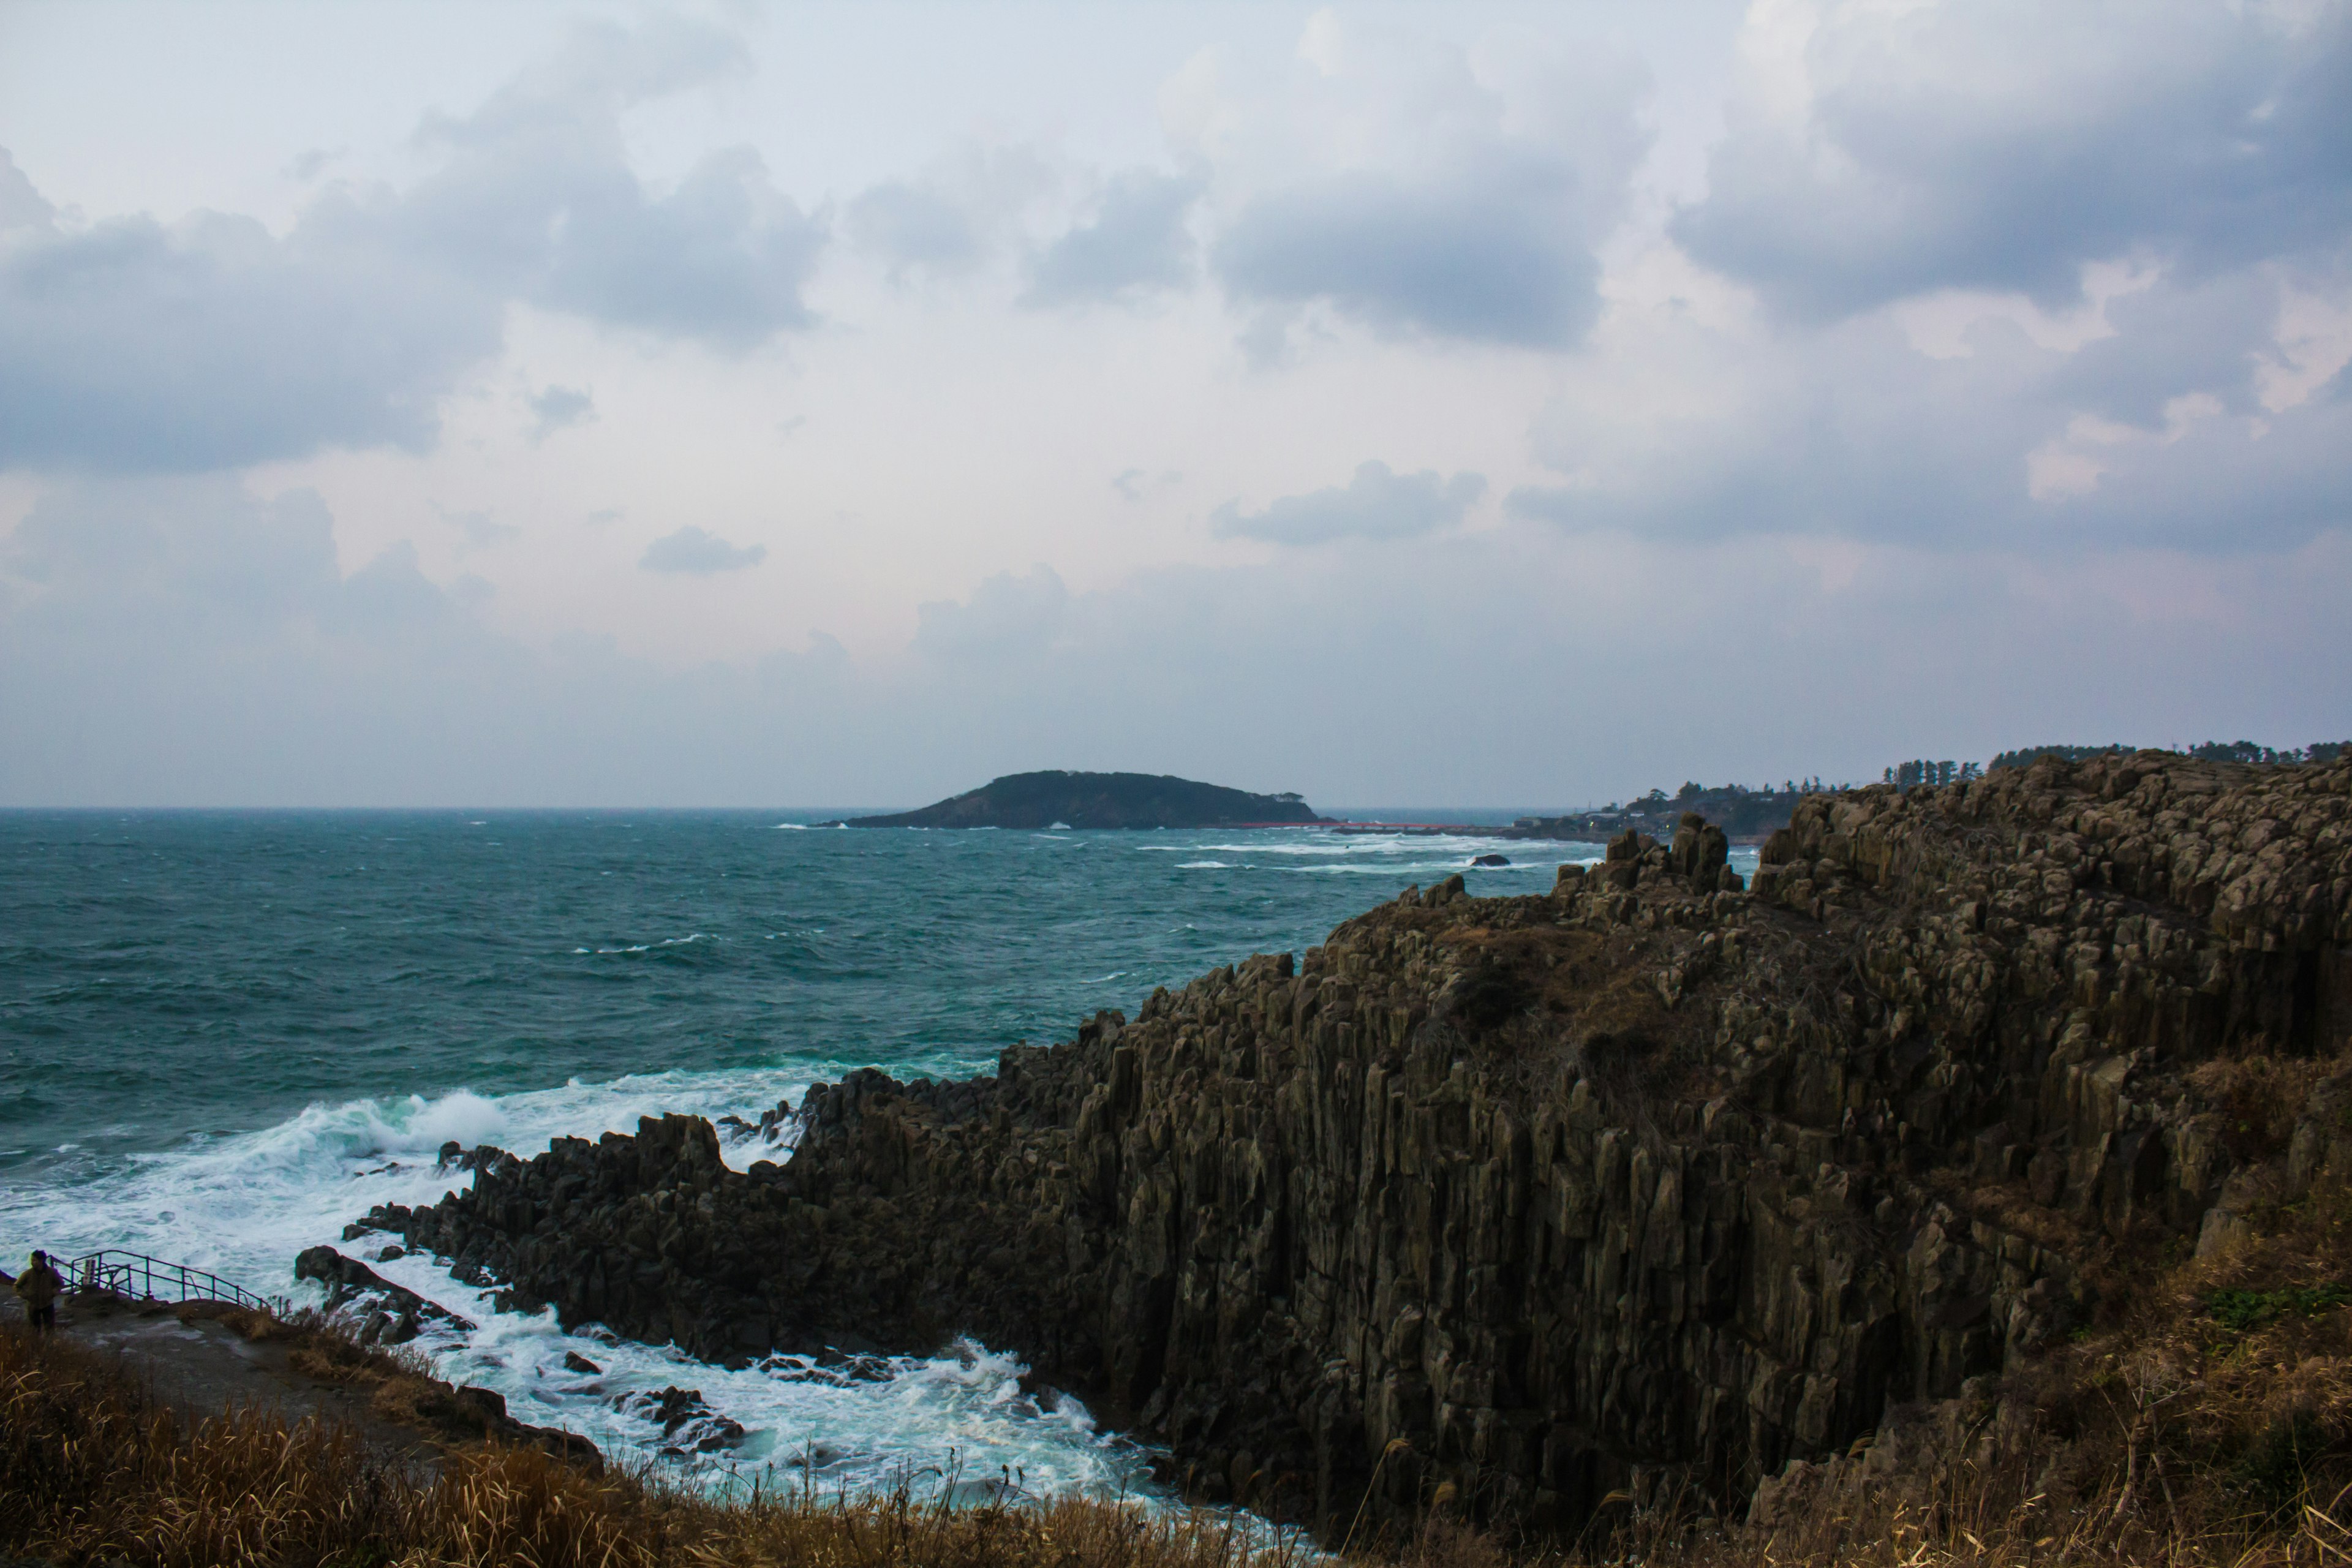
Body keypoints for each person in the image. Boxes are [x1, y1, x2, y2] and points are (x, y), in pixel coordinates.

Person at [14, 1250, 62, 1332]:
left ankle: (49, 1345)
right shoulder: (27, 1274)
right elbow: (17, 1286)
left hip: (48, 1304)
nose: (32, 1262)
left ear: (42, 1261)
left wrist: (54, 1291)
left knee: (50, 1329)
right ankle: (36, 1345)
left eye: (34, 1260)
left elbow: (60, 1283)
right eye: (32, 1260)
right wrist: (25, 1295)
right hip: (33, 1305)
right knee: (34, 1330)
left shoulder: (52, 1272)